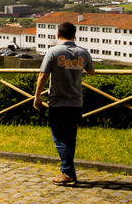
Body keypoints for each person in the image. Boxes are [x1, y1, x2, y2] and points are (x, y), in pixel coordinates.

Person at [33, 21, 96, 185]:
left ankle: (68, 172)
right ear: (75, 35)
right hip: (76, 101)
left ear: (57, 35)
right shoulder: (83, 52)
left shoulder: (53, 51)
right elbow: (91, 71)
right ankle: (67, 171)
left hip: (57, 101)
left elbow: (43, 75)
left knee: (59, 138)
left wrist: (37, 96)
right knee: (70, 138)